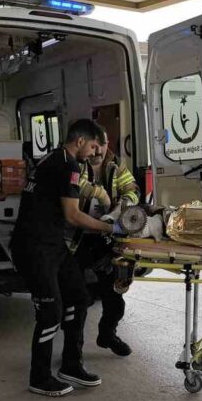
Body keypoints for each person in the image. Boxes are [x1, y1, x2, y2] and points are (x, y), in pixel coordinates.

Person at [10, 119, 121, 397]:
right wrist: (109, 227)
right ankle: (39, 377)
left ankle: (71, 365)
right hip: (34, 248)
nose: (95, 152)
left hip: (53, 245)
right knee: (51, 312)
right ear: (80, 141)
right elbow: (73, 215)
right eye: (93, 146)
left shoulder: (52, 157)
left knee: (79, 298)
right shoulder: (68, 165)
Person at [72, 137, 140, 357]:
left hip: (106, 238)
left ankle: (107, 335)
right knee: (77, 300)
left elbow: (133, 190)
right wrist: (100, 194)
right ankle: (73, 353)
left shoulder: (116, 166)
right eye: (94, 145)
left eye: (102, 145)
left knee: (115, 300)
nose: (98, 150)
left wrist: (123, 204)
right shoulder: (76, 163)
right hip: (77, 239)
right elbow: (77, 186)